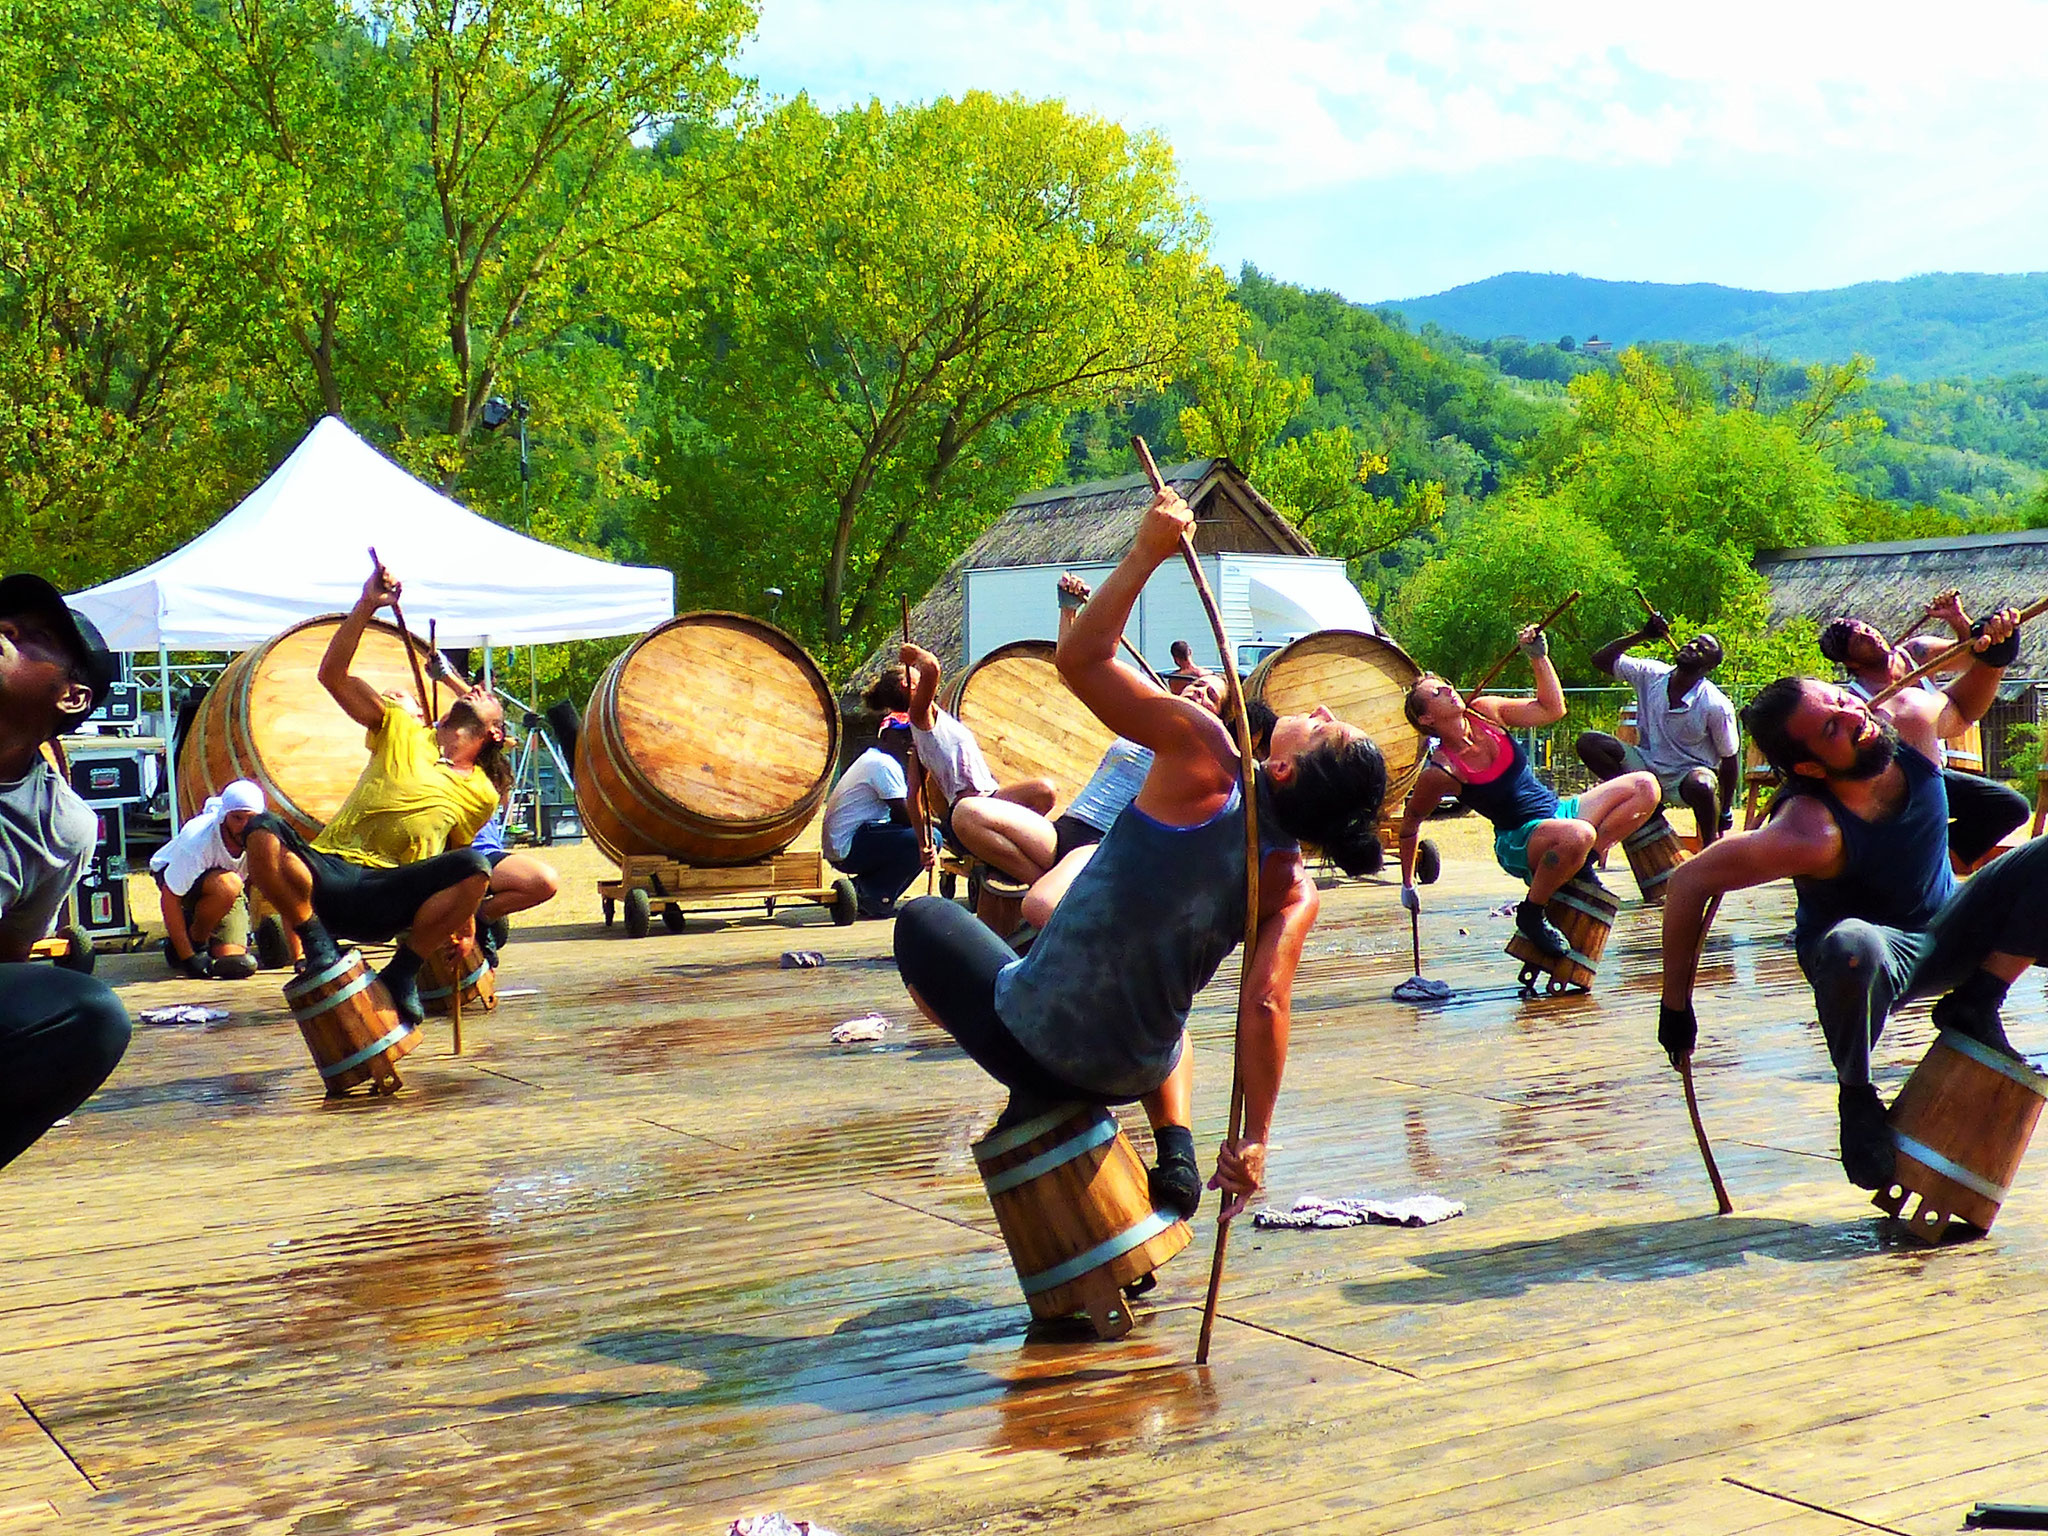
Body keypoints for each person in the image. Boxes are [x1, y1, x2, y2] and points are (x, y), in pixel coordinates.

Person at [893, 485, 1388, 1223]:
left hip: (1047, 1038)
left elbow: (1081, 658)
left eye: (1323, 728)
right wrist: (1253, 1140)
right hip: (1134, 1068)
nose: (1315, 711)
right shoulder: (1292, 886)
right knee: (1157, 998)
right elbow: (1265, 1005)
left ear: (1283, 769)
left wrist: (1146, 552)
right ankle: (1170, 1140)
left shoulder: (1205, 752)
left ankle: (1039, 1091)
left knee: (923, 920)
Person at [1655, 605, 2032, 1190]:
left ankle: (1978, 999)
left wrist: (1992, 659)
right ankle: (1856, 1096)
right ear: (1809, 765)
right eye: (1831, 727)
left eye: (1839, 700)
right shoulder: (1807, 830)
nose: (1851, 714)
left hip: (1951, 927)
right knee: (1853, 944)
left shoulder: (1905, 721)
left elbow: (1960, 708)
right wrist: (1675, 1008)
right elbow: (1687, 883)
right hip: (1869, 961)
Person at [242, 558, 507, 1023]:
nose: (477, 690)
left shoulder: (482, 792)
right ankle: (314, 937)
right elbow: (333, 676)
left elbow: (458, 858)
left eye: (488, 696)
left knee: (475, 865)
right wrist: (367, 605)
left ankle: (402, 972)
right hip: (333, 875)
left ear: (496, 735)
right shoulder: (400, 726)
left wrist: (464, 929)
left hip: (393, 894)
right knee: (262, 827)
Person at [1398, 631, 1659, 958]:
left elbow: (1552, 709)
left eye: (1447, 683)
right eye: (1437, 692)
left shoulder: (1485, 711)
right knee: (1579, 833)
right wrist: (1408, 884)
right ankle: (1532, 913)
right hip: (1520, 840)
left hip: (1561, 812)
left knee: (1645, 786)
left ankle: (1582, 864)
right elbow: (1410, 825)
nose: (1449, 689)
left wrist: (1538, 656)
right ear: (1426, 718)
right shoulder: (1441, 771)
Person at [0, 574, 130, 1171]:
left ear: (72, 696)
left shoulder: (61, 826)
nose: (5, 630)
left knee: (90, 1016)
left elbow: (7, 963)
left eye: (35, 636)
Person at [1818, 592, 2029, 867]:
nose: (1873, 637)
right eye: (1861, 640)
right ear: (1851, 663)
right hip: (1894, 785)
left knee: (2009, 807)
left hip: (1935, 774)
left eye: (1868, 629)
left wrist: (1956, 618)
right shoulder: (1858, 701)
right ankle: (1919, 866)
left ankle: (1937, 864)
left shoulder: (1917, 652)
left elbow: (1971, 654)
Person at [1574, 614, 1739, 847]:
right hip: (1645, 764)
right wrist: (1643, 635)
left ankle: (1709, 848)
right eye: (1692, 641)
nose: (1691, 646)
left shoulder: (1716, 704)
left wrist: (1726, 811)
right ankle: (1640, 801)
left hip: (1686, 776)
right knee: (1589, 742)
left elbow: (1730, 760)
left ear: (1708, 667)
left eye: (1701, 649)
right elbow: (1600, 660)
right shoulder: (1651, 674)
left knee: (1702, 785)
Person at [864, 651, 1055, 830]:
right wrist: (915, 654)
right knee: (1043, 790)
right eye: (914, 673)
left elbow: (914, 795)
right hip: (975, 802)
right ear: (908, 684)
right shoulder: (920, 715)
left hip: (986, 798)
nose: (918, 672)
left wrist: (924, 844)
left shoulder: (921, 735)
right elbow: (931, 667)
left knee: (1044, 792)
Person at [150, 779, 265, 980]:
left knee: (235, 962)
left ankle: (190, 938)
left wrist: (300, 954)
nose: (244, 826)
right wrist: (189, 958)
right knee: (229, 884)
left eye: (251, 818)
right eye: (237, 818)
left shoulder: (264, 838)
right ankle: (193, 944)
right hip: (174, 876)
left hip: (227, 890)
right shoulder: (197, 840)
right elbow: (170, 898)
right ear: (224, 816)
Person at [821, 714, 926, 919]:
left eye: (911, 736)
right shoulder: (883, 763)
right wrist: (934, 825)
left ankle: (865, 889)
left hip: (848, 842)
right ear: (885, 737)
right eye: (902, 736)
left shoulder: (873, 759)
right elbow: (905, 815)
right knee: (925, 839)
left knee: (917, 835)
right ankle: (874, 895)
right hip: (849, 845)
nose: (909, 741)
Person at [470, 808, 560, 966]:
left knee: (544, 881)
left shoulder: (483, 786)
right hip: (444, 857)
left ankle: (482, 916)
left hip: (484, 853)